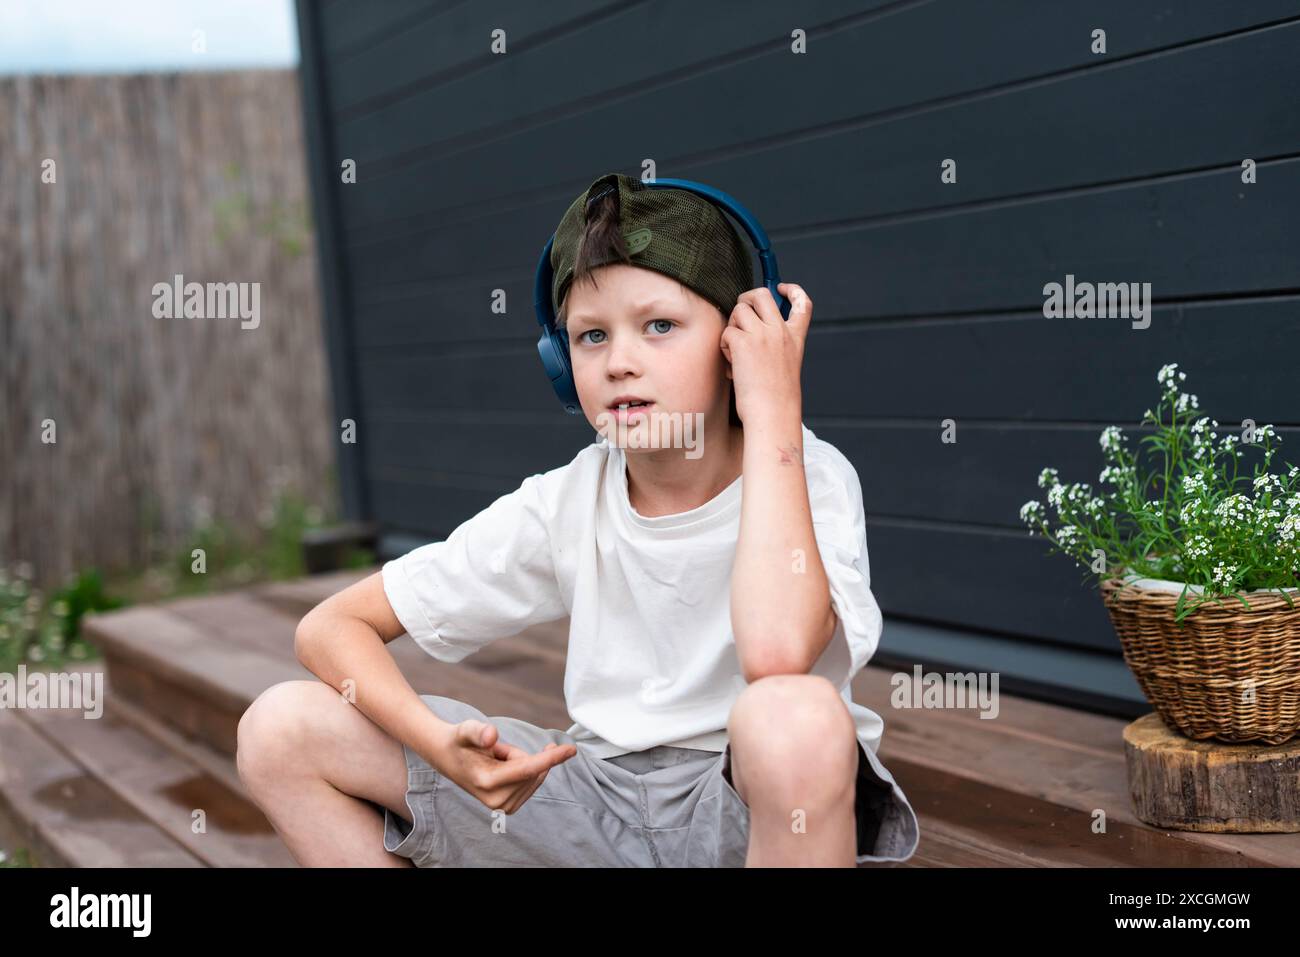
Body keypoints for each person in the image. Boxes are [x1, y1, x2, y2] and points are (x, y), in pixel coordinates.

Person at [236, 172, 920, 867]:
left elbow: (778, 652)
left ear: (740, 337)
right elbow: (329, 627)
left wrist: (774, 403)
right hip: (596, 807)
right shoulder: (566, 500)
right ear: (562, 363)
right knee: (279, 728)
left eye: (660, 326)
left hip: (746, 811)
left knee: (796, 718)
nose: (620, 362)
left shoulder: (808, 472)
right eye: (591, 336)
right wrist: (435, 740)